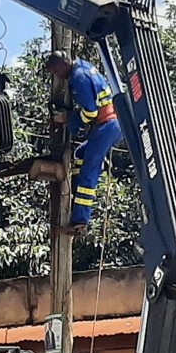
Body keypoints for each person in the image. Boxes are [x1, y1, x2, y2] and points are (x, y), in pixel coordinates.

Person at [45, 51, 125, 236]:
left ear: (64, 64)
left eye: (57, 72)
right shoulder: (84, 66)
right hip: (112, 125)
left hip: (107, 125)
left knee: (89, 170)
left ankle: (80, 222)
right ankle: (79, 185)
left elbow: (90, 112)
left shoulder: (78, 78)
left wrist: (69, 119)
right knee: (81, 154)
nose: (58, 77)